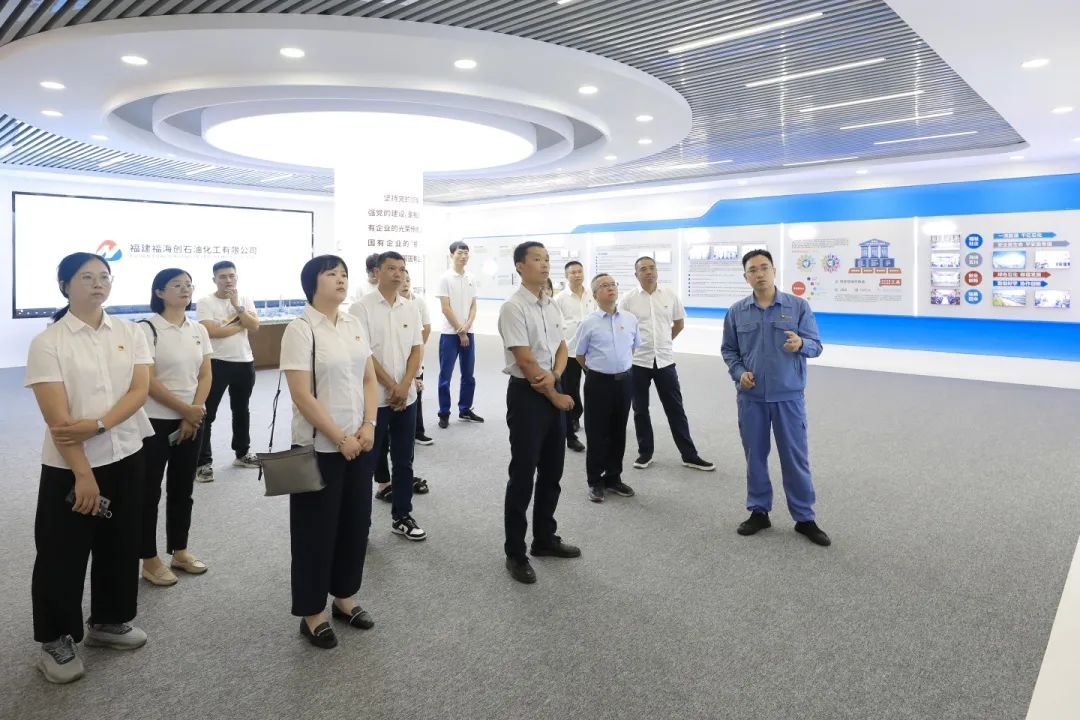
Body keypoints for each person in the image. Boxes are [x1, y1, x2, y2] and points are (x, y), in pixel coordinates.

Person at [25, 252, 154, 684]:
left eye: (104, 276)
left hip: (127, 452)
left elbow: (139, 390)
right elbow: (59, 420)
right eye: (86, 277)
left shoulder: (130, 332)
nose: (98, 283)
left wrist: (100, 424)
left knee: (121, 541)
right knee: (62, 552)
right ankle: (55, 639)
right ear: (65, 286)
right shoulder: (49, 342)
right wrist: (83, 474)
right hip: (72, 465)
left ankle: (108, 621)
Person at [281, 255, 379, 650]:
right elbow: (301, 394)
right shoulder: (301, 329)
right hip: (320, 447)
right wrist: (339, 438)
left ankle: (344, 598)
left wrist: (369, 424)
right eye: (331, 274)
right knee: (314, 532)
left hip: (360, 441)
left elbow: (369, 379)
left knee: (355, 524)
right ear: (312, 282)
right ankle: (312, 613)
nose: (341, 279)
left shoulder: (353, 324)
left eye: (344, 274)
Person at [721, 250, 831, 547]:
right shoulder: (736, 311)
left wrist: (801, 343)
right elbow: (729, 350)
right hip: (751, 398)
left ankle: (804, 517)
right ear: (746, 277)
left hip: (788, 397)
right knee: (755, 457)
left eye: (764, 268)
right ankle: (759, 511)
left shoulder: (798, 306)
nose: (760, 274)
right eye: (753, 270)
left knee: (795, 458)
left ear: (774, 271)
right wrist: (739, 372)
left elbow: (817, 345)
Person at [498, 241, 581, 584]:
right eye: (537, 259)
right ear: (520, 266)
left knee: (552, 471)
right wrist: (554, 394)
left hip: (551, 387)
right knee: (522, 475)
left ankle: (544, 538)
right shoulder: (513, 307)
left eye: (547, 259)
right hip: (527, 397)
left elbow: (561, 345)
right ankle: (515, 553)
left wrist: (557, 376)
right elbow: (524, 359)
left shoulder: (551, 304)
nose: (545, 264)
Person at [138, 269, 212, 587]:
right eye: (177, 285)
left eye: (189, 285)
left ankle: (179, 551)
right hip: (154, 421)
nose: (185, 289)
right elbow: (148, 380)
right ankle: (149, 559)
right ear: (159, 292)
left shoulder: (198, 329)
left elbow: (205, 374)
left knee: (183, 489)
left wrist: (193, 413)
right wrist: (185, 410)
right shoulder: (146, 328)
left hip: (192, 420)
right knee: (148, 491)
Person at [350, 252, 427, 542]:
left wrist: (404, 385)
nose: (398, 274)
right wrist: (392, 385)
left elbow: (417, 349)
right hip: (375, 400)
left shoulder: (411, 307)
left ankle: (402, 516)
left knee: (404, 460)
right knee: (366, 463)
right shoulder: (361, 308)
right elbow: (364, 353)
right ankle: (360, 526)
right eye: (391, 268)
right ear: (377, 272)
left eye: (402, 269)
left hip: (406, 398)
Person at [621, 256, 715, 472]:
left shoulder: (670, 294)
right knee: (640, 410)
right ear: (636, 274)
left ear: (657, 271)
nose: (649, 272)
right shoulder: (628, 299)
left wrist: (663, 342)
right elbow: (622, 329)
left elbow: (679, 323)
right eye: (643, 269)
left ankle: (689, 455)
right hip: (638, 362)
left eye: (652, 268)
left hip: (664, 361)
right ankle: (645, 453)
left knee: (675, 408)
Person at [573, 274, 640, 503]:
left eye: (613, 284)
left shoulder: (630, 319)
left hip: (624, 382)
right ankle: (595, 480)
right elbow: (580, 355)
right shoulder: (588, 322)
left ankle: (613, 477)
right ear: (595, 295)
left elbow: (633, 348)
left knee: (618, 431)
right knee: (597, 432)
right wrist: (598, 371)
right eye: (604, 286)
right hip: (598, 383)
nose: (610, 288)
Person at [195, 261, 260, 481]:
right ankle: (203, 462)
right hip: (216, 363)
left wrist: (237, 306)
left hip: (245, 361)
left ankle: (242, 454)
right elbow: (211, 331)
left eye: (231, 276)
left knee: (241, 410)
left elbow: (255, 326)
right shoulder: (205, 301)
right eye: (223, 277)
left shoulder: (244, 299)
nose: (228, 280)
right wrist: (241, 324)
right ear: (214, 279)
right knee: (208, 414)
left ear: (237, 277)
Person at [436, 241, 483, 428]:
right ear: (451, 255)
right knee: (445, 375)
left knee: (468, 374)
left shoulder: (471, 278)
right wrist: (460, 330)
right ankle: (444, 412)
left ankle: (465, 409)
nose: (463, 256)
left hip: (468, 332)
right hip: (450, 334)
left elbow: (473, 305)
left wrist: (467, 326)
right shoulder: (445, 278)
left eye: (466, 253)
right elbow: (445, 308)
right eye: (460, 253)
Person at [554, 260, 596, 453]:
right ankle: (573, 419)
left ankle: (596, 419)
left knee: (595, 387)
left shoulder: (592, 294)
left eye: (580, 271)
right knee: (571, 388)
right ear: (566, 275)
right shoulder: (560, 299)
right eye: (573, 272)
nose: (577, 275)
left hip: (591, 351)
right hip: (570, 352)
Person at [401, 268, 433, 447]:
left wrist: (417, 351)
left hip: (416, 354)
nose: (405, 283)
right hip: (395, 359)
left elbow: (426, 329)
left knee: (416, 395)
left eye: (408, 280)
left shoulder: (418, 302)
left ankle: (418, 432)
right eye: (402, 280)